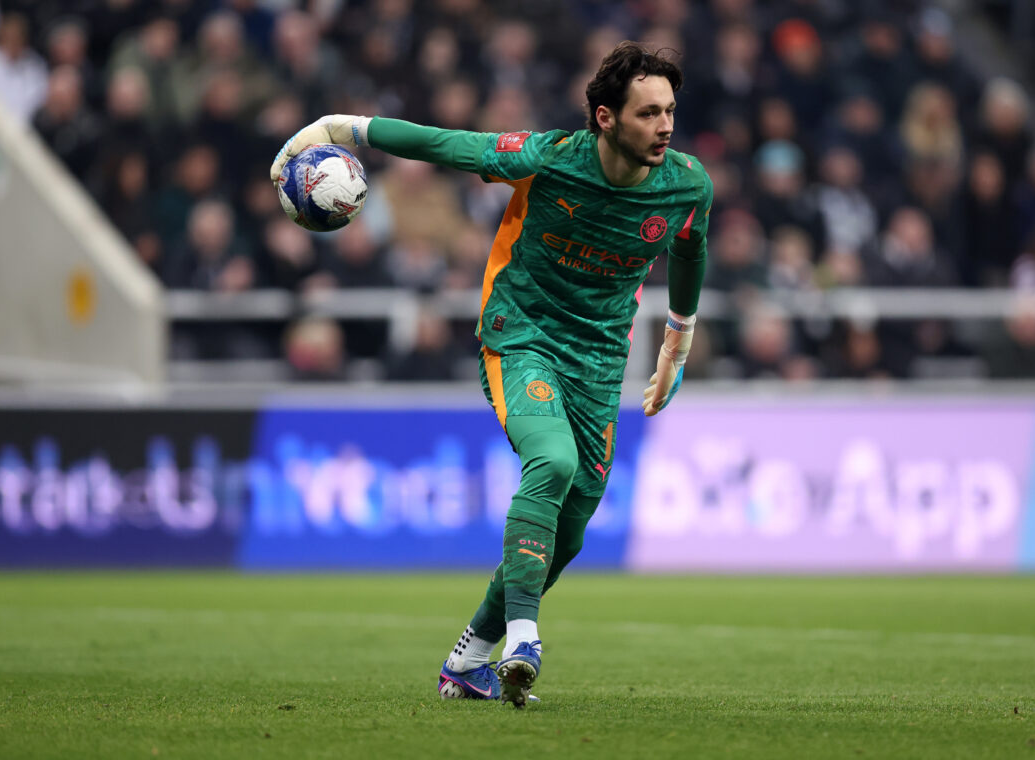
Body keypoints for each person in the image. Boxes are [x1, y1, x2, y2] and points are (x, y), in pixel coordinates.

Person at [269, 42, 713, 709]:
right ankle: (523, 641)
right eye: (649, 113)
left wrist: (677, 337)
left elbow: (691, 246)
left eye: (670, 111)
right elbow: (446, 145)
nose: (665, 125)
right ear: (605, 117)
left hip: (598, 361)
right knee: (553, 462)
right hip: (521, 334)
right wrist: (343, 128)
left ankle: (470, 654)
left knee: (571, 528)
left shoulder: (687, 183)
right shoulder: (547, 159)